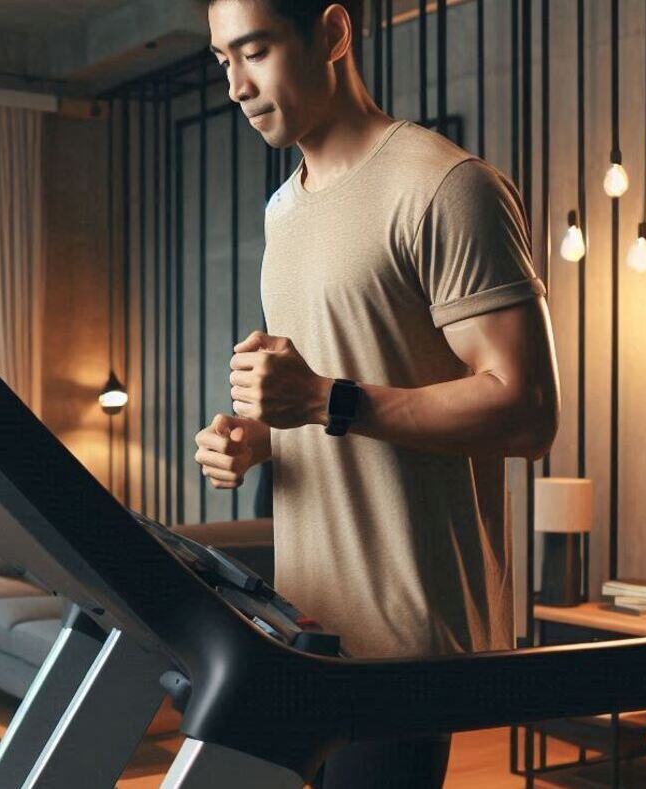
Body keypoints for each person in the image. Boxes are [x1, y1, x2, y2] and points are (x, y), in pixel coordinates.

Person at [194, 2, 560, 787]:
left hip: (405, 644)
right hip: (304, 630)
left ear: (331, 33)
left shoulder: (447, 186)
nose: (235, 84)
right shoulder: (282, 210)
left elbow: (528, 410)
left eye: (253, 51)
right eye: (222, 59)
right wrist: (257, 436)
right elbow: (328, 392)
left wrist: (327, 400)